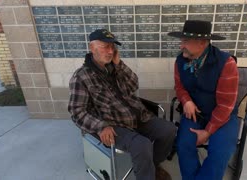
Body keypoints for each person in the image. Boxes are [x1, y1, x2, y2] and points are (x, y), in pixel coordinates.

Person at [68, 29, 176, 180]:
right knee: (142, 145)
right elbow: (77, 111)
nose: (111, 51)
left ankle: (153, 164)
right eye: (105, 46)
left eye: (113, 47)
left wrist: (119, 64)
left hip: (138, 116)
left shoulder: (115, 67)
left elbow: (133, 85)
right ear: (92, 48)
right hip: (112, 125)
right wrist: (100, 127)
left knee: (169, 130)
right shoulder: (81, 76)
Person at [168, 20, 239, 180]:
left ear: (202, 43)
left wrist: (207, 132)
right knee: (184, 145)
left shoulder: (227, 63)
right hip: (196, 113)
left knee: (220, 152)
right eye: (181, 41)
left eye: (185, 41)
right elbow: (179, 87)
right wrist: (186, 101)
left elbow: (226, 105)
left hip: (223, 117)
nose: (181, 46)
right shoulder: (180, 61)